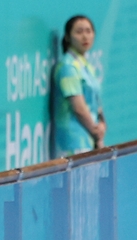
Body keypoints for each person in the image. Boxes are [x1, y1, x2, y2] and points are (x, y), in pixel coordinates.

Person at [51, 15, 105, 157]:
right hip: (73, 142)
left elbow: (96, 103)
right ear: (68, 37)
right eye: (79, 32)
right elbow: (79, 108)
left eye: (88, 31)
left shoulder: (86, 65)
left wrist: (101, 126)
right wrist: (95, 132)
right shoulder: (67, 66)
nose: (85, 36)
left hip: (90, 139)